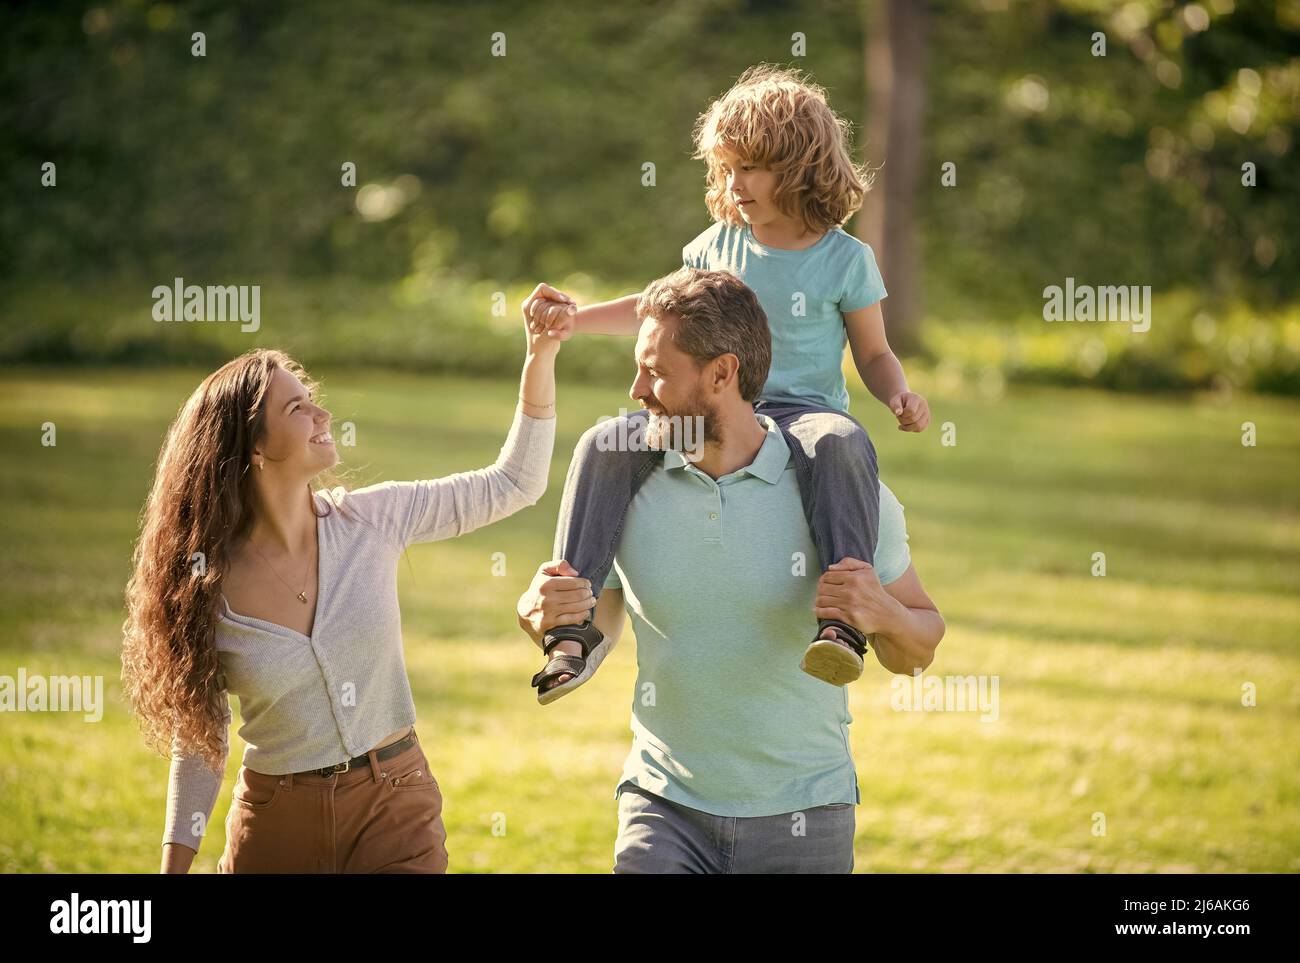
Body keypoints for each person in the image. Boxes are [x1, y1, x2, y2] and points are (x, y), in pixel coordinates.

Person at [121, 286, 563, 873]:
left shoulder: (372, 520)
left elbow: (515, 483)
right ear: (252, 447)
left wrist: (539, 355)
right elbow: (201, 741)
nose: (322, 415)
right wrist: (172, 868)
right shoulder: (206, 584)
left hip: (394, 803)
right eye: (297, 409)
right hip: (276, 820)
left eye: (313, 399)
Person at [517, 267, 945, 873]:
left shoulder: (841, 487)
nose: (636, 389)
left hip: (806, 813)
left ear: (721, 374)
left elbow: (918, 651)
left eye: (657, 372)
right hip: (662, 806)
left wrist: (884, 614)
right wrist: (539, 613)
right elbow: (602, 626)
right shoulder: (628, 484)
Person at [525, 64, 930, 701]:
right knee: (608, 443)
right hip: (710, 405)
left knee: (840, 442)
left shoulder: (846, 259)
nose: (734, 185)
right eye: (727, 169)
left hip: (802, 414)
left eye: (750, 168)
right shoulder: (719, 246)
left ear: (798, 167)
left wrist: (898, 393)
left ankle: (843, 625)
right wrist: (576, 319)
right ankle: (571, 628)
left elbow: (874, 352)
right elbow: (655, 310)